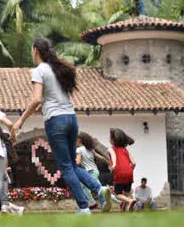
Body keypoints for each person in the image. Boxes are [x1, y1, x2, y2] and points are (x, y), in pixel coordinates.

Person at [11, 37, 112, 214]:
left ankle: (83, 207)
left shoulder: (39, 70)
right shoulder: (57, 69)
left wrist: (21, 120)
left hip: (56, 122)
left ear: (35, 50)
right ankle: (98, 189)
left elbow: (36, 99)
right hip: (71, 119)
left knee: (65, 168)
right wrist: (43, 108)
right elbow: (52, 99)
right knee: (72, 166)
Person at [76, 132, 109, 209]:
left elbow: (78, 162)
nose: (75, 142)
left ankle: (105, 202)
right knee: (84, 186)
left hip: (90, 172)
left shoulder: (79, 150)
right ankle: (93, 202)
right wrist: (109, 163)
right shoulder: (90, 149)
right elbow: (102, 158)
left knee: (98, 188)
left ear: (80, 140)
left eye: (76, 140)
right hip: (94, 171)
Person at [108, 128, 137, 212]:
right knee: (127, 192)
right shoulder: (125, 150)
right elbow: (134, 163)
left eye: (109, 137)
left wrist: (113, 165)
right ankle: (132, 208)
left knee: (117, 194)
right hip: (129, 172)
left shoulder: (111, 148)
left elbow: (113, 157)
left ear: (113, 140)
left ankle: (130, 201)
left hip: (119, 173)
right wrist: (129, 171)